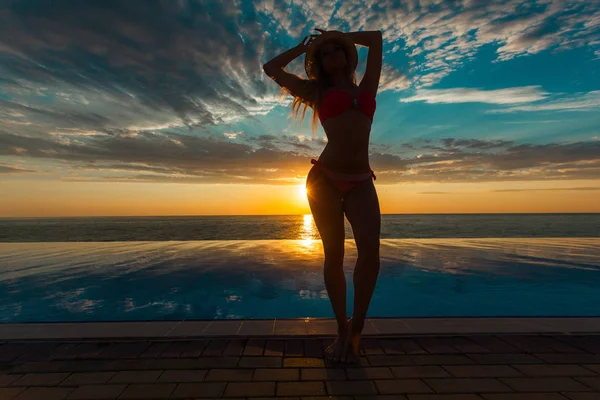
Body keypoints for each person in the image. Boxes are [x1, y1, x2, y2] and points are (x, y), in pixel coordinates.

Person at [263, 28, 383, 363]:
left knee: (371, 255)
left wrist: (336, 34)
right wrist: (302, 48)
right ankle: (342, 332)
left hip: (360, 180)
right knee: (333, 255)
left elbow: (375, 38)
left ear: (346, 56)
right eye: (325, 54)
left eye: (336, 51)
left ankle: (357, 327)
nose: (331, 57)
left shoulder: (368, 86)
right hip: (325, 180)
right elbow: (271, 68)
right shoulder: (315, 91)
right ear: (318, 62)